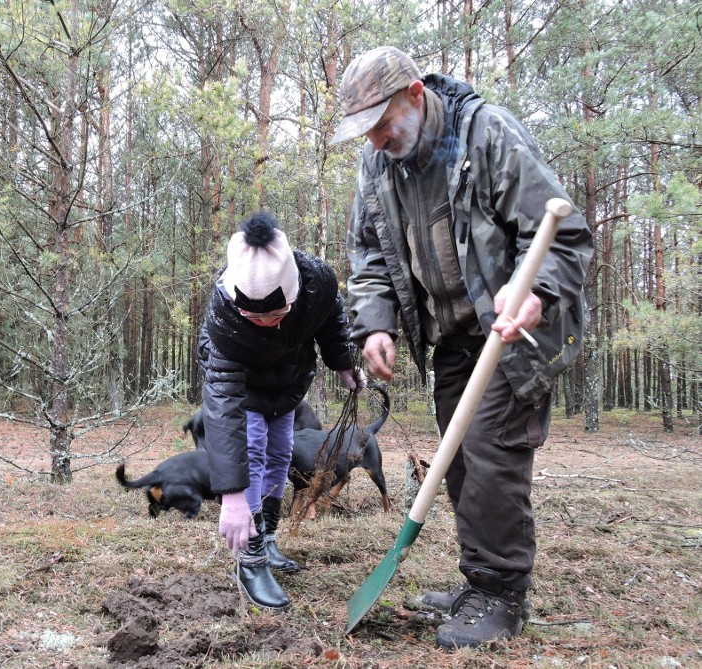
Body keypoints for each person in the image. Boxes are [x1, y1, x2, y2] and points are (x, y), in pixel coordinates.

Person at [332, 46, 593, 648]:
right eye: (364, 131)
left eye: (383, 123)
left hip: (513, 331)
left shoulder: (486, 135)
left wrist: (539, 292)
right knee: (459, 464)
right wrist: (376, 325)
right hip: (450, 334)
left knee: (491, 451)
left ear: (417, 96)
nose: (374, 140)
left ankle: (500, 595)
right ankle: (480, 582)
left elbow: (563, 234)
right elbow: (368, 254)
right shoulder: (378, 167)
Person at [198, 210, 365, 611]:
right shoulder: (222, 317)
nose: (266, 323)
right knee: (253, 451)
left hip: (289, 384)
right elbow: (223, 409)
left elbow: (331, 323)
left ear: (292, 294)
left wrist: (343, 363)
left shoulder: (317, 282)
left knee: (278, 455)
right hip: (246, 393)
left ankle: (268, 540)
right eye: (254, 316)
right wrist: (232, 496)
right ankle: (250, 558)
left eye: (275, 315)